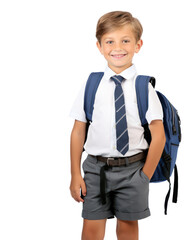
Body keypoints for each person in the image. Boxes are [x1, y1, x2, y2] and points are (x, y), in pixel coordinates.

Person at [69, 11, 166, 240]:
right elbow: (78, 130)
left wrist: (145, 175)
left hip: (133, 170)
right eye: (110, 41)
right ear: (100, 46)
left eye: (125, 41)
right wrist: (75, 174)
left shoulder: (144, 87)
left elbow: (158, 135)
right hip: (95, 170)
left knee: (128, 227)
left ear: (137, 45)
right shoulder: (92, 84)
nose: (117, 47)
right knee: (91, 229)